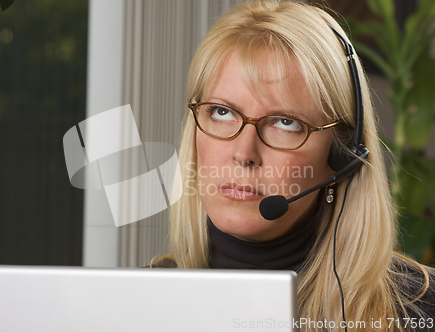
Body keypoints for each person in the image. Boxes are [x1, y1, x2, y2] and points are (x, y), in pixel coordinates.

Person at [150, 0, 435, 331]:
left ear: (342, 156)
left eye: (285, 122)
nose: (244, 153)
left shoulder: (420, 312)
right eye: (222, 112)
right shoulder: (132, 306)